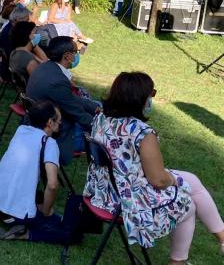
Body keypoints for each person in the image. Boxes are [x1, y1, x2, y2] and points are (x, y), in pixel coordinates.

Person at [84, 72, 224, 264]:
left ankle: (223, 238)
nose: (152, 99)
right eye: (152, 94)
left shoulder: (101, 118)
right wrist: (174, 180)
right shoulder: (142, 132)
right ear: (140, 98)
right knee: (187, 205)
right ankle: (178, 262)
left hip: (105, 189)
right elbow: (157, 179)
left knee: (192, 180)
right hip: (127, 198)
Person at [0, 101, 71, 243]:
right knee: (71, 234)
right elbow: (52, 185)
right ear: (50, 122)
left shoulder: (21, 130)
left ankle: (32, 216)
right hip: (14, 215)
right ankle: (25, 234)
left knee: (40, 197)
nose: (60, 124)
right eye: (59, 121)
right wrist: (45, 212)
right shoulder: (49, 143)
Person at [25, 36, 96, 165]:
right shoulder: (58, 81)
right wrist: (105, 127)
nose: (77, 55)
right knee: (96, 131)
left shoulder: (46, 67)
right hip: (57, 134)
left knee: (97, 106)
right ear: (67, 56)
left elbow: (69, 98)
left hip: (36, 123)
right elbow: (78, 114)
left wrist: (93, 107)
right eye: (76, 52)